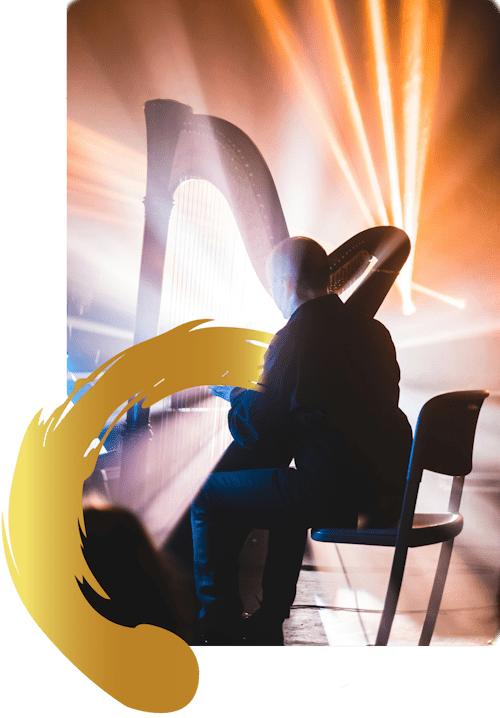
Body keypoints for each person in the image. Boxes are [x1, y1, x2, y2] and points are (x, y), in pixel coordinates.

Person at [191, 236, 412, 645]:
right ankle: (268, 617)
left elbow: (257, 432)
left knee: (206, 495)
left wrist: (231, 391)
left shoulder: (294, 337)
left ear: (285, 279)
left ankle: (215, 626)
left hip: (333, 494)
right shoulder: (375, 331)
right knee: (286, 480)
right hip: (387, 494)